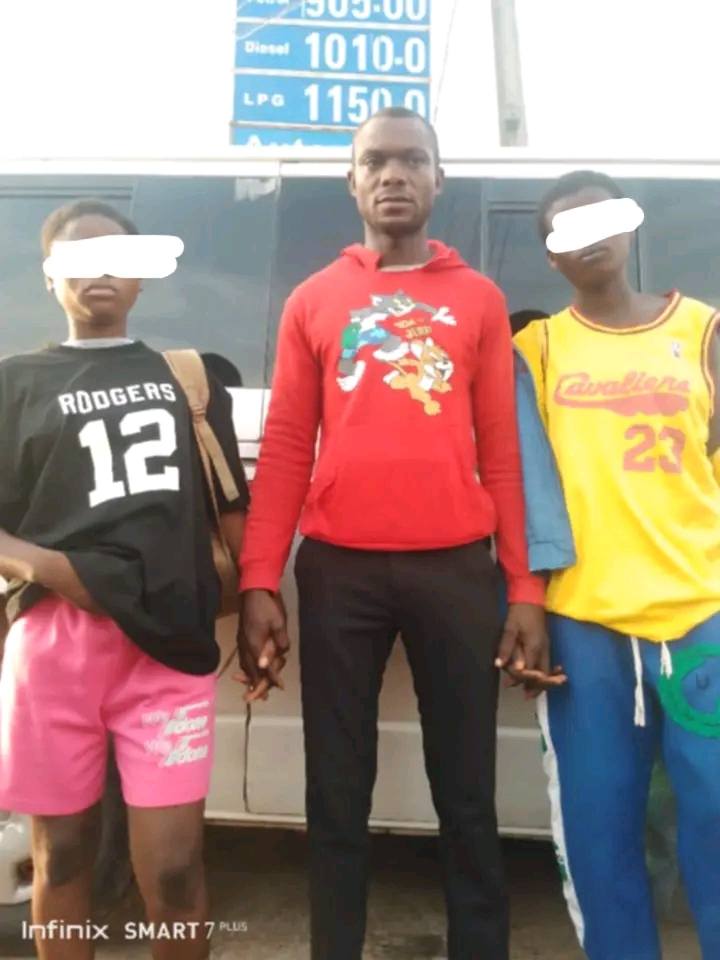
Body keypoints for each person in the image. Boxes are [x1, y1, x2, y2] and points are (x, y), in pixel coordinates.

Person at [238, 107, 555, 960]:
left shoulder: (478, 300)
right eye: (375, 161)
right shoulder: (315, 299)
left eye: (413, 160)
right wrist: (260, 578)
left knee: (468, 793)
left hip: (457, 572)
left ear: (438, 179)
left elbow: (503, 454)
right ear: (351, 181)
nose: (393, 175)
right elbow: (285, 449)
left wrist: (523, 587)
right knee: (336, 793)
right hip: (338, 573)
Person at [0, 199, 249, 960]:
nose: (98, 272)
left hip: (166, 648)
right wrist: (52, 569)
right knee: (64, 859)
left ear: (142, 277)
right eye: (76, 259)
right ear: (49, 277)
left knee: (173, 871)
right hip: (54, 647)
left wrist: (257, 603)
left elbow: (231, 511)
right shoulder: (14, 383)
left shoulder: (189, 378)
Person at [514, 169, 720, 960]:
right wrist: (524, 603)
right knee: (601, 832)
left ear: (630, 226)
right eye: (566, 230)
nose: (589, 239)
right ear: (551, 256)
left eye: (601, 220)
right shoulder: (535, 350)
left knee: (715, 818)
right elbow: (517, 489)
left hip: (699, 618)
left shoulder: (702, 330)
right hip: (584, 629)